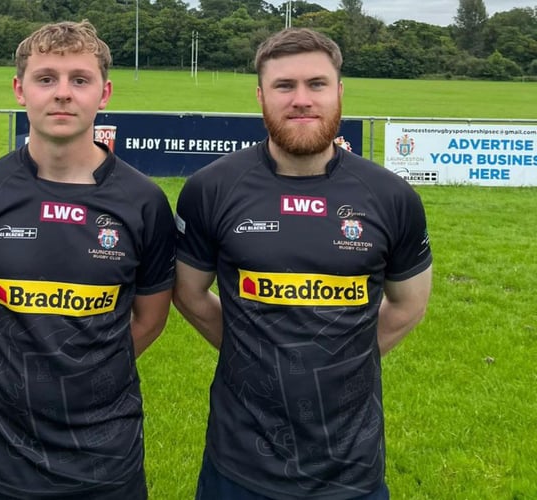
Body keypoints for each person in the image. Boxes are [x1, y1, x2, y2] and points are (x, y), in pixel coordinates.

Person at [173, 28, 432, 500]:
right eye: (284, 86)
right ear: (260, 96)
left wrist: (342, 358)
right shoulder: (211, 189)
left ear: (339, 92)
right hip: (238, 465)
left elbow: (409, 304)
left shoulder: (391, 196)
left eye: (316, 84)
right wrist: (250, 350)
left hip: (351, 468)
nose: (301, 100)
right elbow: (188, 293)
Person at [0, 20, 176, 499]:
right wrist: (10, 368)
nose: (63, 93)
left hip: (105, 462)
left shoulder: (144, 202)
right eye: (46, 78)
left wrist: (88, 372)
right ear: (20, 90)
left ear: (104, 94)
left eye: (79, 79)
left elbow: (150, 319)